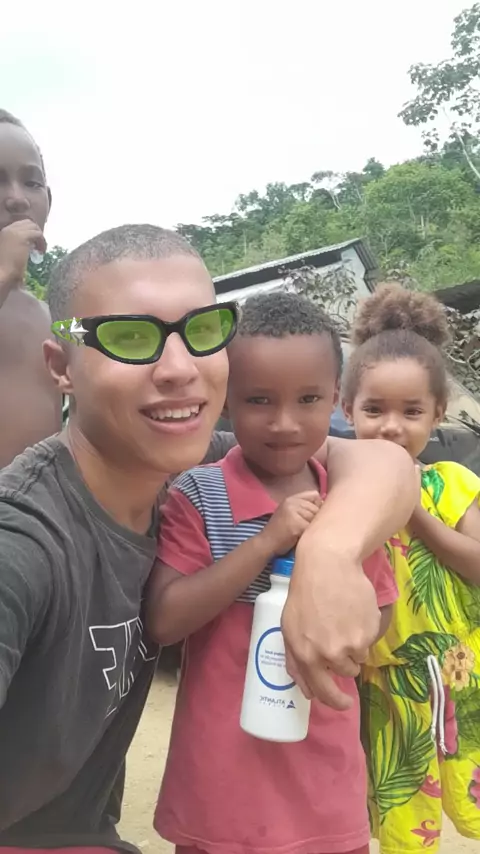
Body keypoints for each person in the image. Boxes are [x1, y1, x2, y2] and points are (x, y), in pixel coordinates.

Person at [0, 224, 415, 852]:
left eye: (201, 330)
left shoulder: (202, 460)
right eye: (130, 337)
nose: (179, 369)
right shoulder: (24, 544)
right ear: (62, 366)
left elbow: (386, 465)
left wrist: (328, 555)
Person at [148, 291, 399, 854]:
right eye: (259, 400)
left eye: (308, 399)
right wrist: (266, 543)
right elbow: (164, 620)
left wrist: (335, 608)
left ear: (335, 401)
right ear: (226, 401)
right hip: (221, 784)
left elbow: (380, 612)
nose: (284, 423)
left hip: (323, 782)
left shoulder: (349, 504)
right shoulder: (200, 496)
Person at [342, 283, 480, 853]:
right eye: (374, 410)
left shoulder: (453, 483)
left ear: (438, 414)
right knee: (405, 827)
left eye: (412, 411)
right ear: (347, 410)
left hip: (461, 674)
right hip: (383, 685)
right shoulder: (339, 488)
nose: (391, 427)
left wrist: (414, 512)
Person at [0, 109, 61, 467]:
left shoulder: (48, 316)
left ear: (48, 201)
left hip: (42, 499)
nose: (17, 199)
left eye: (31, 183)